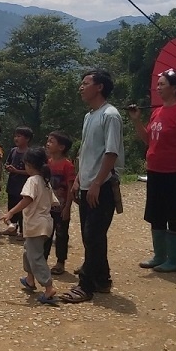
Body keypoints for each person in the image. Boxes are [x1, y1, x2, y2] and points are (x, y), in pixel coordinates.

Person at [60, 69, 124, 304]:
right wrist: (78, 179)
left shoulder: (110, 115)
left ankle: (85, 286)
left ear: (99, 87)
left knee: (93, 234)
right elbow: (87, 151)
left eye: (86, 83)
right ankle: (102, 279)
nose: (81, 87)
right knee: (92, 236)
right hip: (87, 184)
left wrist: (97, 182)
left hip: (102, 185)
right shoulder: (90, 115)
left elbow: (111, 152)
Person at [127, 69, 176, 272]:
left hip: (175, 173)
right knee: (156, 213)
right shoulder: (157, 112)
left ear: (174, 88)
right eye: (158, 84)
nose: (158, 88)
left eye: (162, 84)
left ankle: (174, 260)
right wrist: (136, 120)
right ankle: (159, 255)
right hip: (155, 171)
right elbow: (148, 140)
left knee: (175, 214)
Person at [1, 147, 58, 304]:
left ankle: (48, 287)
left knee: (35, 256)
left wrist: (11, 212)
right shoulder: (45, 182)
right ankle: (30, 279)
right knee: (29, 251)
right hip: (44, 224)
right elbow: (54, 203)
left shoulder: (32, 181)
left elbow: (27, 199)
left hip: (36, 225)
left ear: (29, 165)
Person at [43, 131, 76, 275]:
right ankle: (41, 261)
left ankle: (60, 262)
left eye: (52, 141)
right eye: (48, 141)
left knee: (61, 235)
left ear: (61, 147)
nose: (48, 144)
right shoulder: (47, 163)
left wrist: (67, 207)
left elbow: (70, 187)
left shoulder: (67, 165)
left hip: (61, 207)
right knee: (45, 234)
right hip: (47, 206)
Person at [2, 126, 33, 236]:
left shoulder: (30, 153)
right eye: (15, 136)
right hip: (12, 184)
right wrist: (7, 167)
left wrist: (17, 171)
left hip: (23, 185)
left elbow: (32, 172)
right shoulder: (13, 151)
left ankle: (23, 231)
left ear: (27, 139)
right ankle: (12, 228)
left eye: (19, 136)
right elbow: (7, 162)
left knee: (23, 209)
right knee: (12, 206)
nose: (16, 138)